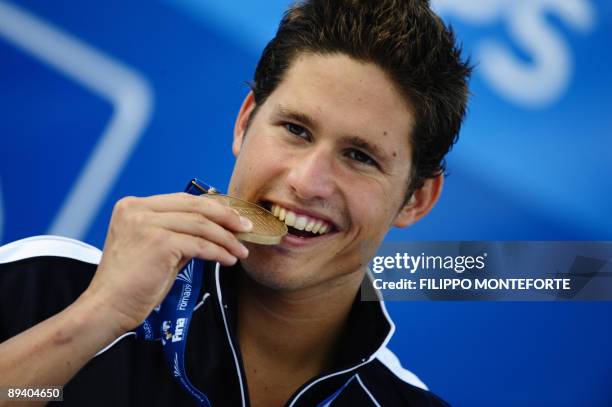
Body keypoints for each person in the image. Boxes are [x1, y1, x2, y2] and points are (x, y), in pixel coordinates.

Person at [0, 0, 471, 405]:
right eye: (296, 130)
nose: (308, 183)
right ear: (245, 122)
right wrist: (94, 320)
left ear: (417, 198)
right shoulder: (49, 287)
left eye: (359, 156)